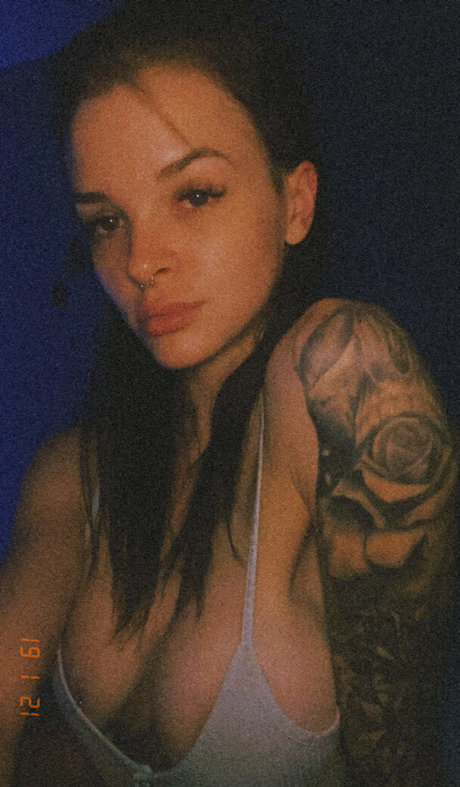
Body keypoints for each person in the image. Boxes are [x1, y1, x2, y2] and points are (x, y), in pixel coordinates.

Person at [1, 0, 456, 784]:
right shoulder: (72, 477)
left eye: (195, 194)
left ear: (295, 203)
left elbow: (401, 764)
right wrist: (42, 717)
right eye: (106, 220)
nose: (140, 260)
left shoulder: (346, 376)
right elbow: (17, 686)